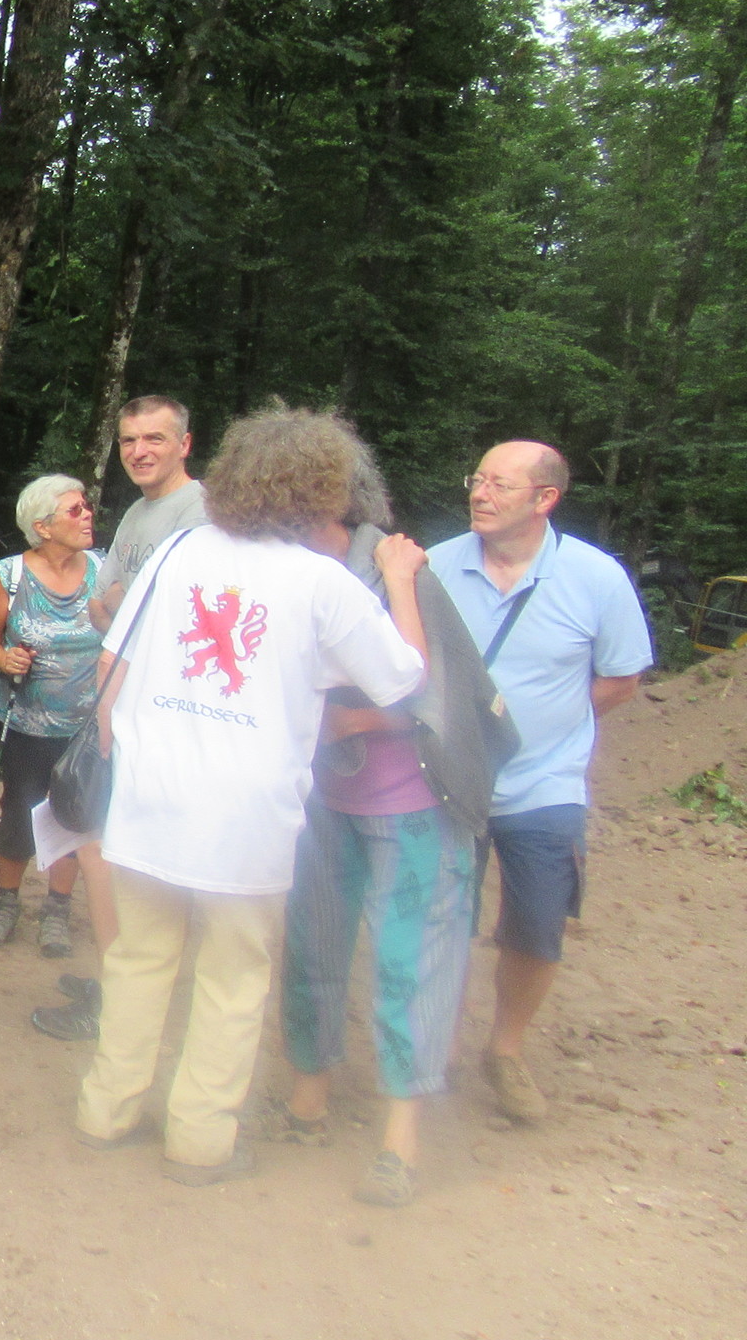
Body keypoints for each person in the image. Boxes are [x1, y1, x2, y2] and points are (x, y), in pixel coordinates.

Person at [75, 405, 429, 1185]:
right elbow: (401, 680)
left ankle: (107, 1109)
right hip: (247, 814)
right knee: (233, 978)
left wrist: (116, 751)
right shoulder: (321, 581)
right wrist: (401, 583)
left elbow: (111, 662)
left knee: (137, 959)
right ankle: (199, 1140)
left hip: (153, 796)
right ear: (322, 491)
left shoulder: (179, 550)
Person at [278, 450, 505, 1206]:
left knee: (413, 963)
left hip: (413, 803)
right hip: (320, 798)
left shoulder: (398, 568)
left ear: (330, 499)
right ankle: (308, 1099)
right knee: (311, 945)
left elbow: (428, 694)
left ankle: (400, 1140)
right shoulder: (279, 572)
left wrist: (344, 720)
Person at [426, 441, 651, 1124]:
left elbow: (621, 678)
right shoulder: (435, 566)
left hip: (547, 786)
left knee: (538, 925)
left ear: (545, 498)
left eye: (499, 483)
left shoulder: (597, 578)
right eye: (477, 479)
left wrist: (544, 729)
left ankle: (506, 1049)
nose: (480, 493)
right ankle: (439, 1044)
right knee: (441, 918)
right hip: (450, 781)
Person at [0, 475, 101, 957]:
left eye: (86, 506)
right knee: (19, 810)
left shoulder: (103, 570)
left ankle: (57, 909)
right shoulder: (11, 575)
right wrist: (6, 659)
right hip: (26, 720)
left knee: (74, 812)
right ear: (42, 526)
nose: (87, 515)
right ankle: (5, 902)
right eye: (75, 510)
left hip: (88, 724)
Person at [91, 394, 207, 630]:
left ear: (184, 445)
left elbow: (178, 613)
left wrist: (121, 596)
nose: (138, 452)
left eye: (154, 439)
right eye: (128, 440)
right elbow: (96, 604)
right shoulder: (135, 511)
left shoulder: (202, 510)